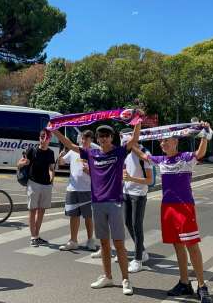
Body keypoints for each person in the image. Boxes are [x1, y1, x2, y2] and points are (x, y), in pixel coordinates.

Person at [53, 118, 142, 296]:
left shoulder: (118, 152)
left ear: (111, 137)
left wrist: (137, 121)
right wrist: (54, 130)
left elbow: (133, 139)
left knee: (119, 243)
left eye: (106, 136)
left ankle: (126, 280)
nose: (102, 139)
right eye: (100, 136)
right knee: (103, 242)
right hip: (97, 203)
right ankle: (108, 277)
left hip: (115, 203)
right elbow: (70, 145)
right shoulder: (92, 154)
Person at [137, 121, 213, 303]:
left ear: (176, 141)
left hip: (184, 207)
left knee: (192, 246)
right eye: (161, 141)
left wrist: (205, 132)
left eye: (166, 141)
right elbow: (141, 153)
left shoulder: (186, 158)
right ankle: (184, 283)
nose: (163, 144)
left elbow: (201, 153)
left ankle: (202, 286)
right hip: (167, 209)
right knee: (177, 246)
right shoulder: (161, 160)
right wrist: (131, 136)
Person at [119, 129, 154, 273]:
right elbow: (125, 171)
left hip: (139, 194)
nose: (122, 140)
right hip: (126, 192)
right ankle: (143, 251)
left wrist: (132, 179)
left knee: (136, 225)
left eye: (124, 137)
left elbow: (150, 180)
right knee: (128, 223)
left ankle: (138, 260)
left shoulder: (145, 154)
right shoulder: (126, 153)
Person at [57, 130, 97, 252]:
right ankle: (73, 241)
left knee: (88, 217)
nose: (84, 141)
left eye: (87, 139)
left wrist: (90, 171)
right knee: (73, 216)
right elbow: (61, 162)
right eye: (82, 139)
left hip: (87, 190)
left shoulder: (95, 153)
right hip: (72, 189)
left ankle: (90, 240)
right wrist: (60, 156)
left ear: (91, 140)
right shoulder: (74, 152)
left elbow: (100, 174)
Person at [17, 129, 55, 247]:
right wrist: (24, 163)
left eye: (46, 137)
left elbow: (51, 168)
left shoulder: (51, 153)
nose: (43, 139)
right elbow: (18, 164)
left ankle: (37, 235)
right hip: (33, 183)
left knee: (42, 210)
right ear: (39, 138)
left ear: (49, 139)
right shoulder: (32, 150)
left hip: (46, 185)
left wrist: (52, 177)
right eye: (41, 136)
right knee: (32, 210)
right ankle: (33, 236)